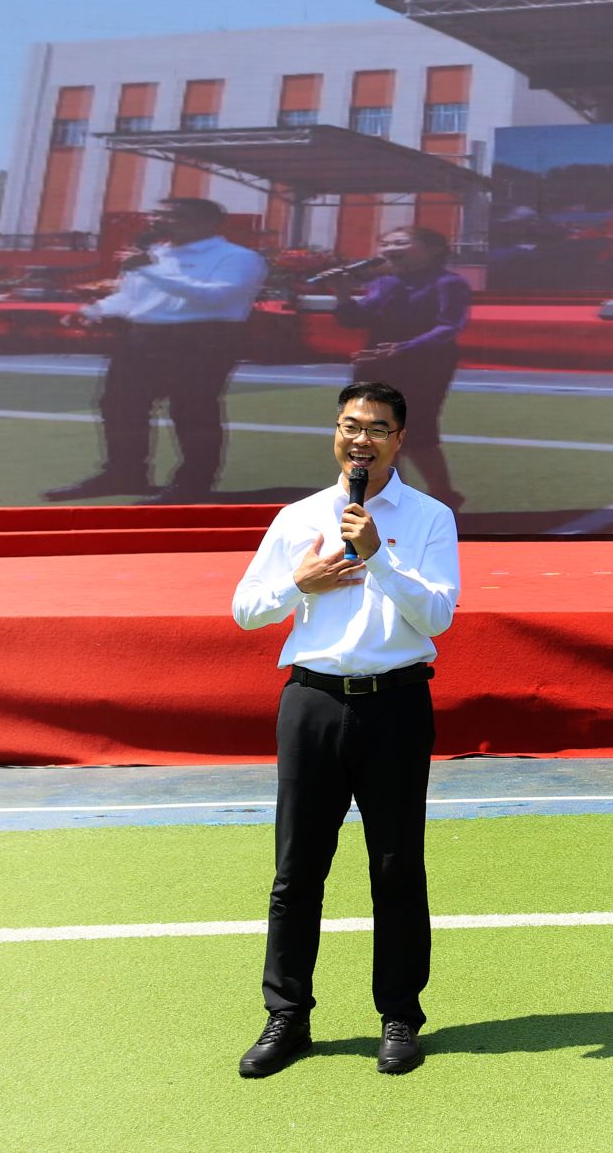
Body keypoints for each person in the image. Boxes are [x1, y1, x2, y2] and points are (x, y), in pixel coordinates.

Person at [229, 381, 461, 1077]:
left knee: (396, 866)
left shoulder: (429, 518)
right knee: (297, 869)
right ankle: (287, 1015)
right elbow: (246, 609)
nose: (361, 440)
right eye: (350, 426)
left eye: (377, 429)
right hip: (313, 702)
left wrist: (378, 554)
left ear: (399, 440)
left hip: (396, 703)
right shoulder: (298, 517)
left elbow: (439, 615)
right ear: (336, 432)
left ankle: (399, 1014)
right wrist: (299, 583)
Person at [46, 197, 267, 504]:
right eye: (156, 215)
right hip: (142, 337)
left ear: (207, 223)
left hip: (203, 340)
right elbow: (131, 298)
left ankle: (193, 484)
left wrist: (150, 270)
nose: (158, 221)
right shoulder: (153, 255)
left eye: (172, 216)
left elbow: (217, 296)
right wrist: (93, 310)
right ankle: (124, 474)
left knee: (192, 411)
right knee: (120, 405)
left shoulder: (237, 257)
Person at [328, 225, 473, 510]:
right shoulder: (385, 282)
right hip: (376, 362)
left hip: (424, 364)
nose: (389, 249)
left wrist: (403, 348)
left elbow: (449, 326)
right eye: (385, 243)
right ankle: (396, 500)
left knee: (417, 433)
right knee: (377, 433)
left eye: (400, 242)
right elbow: (355, 319)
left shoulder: (448, 283)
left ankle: (444, 496)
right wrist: (342, 293)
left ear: (434, 250)